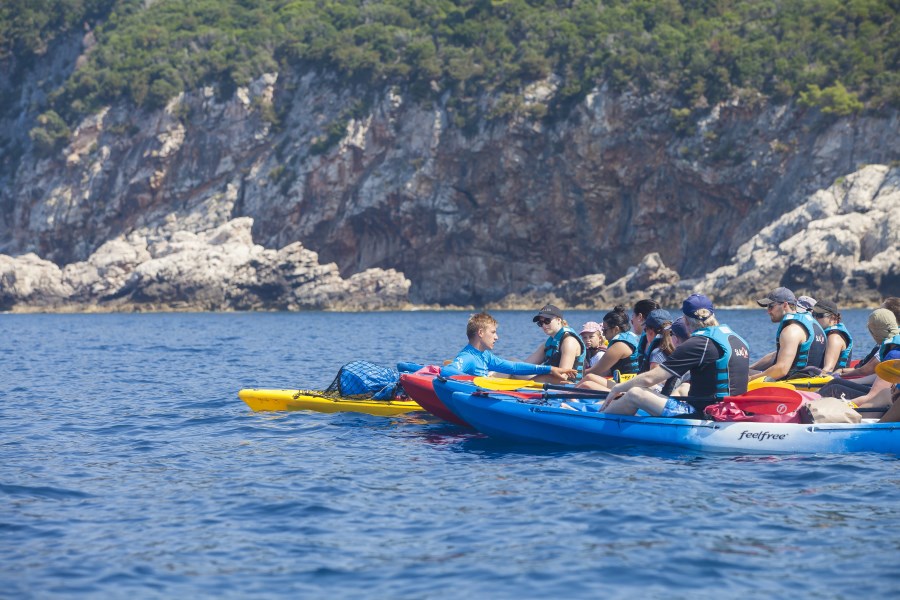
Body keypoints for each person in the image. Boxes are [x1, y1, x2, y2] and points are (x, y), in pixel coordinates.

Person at [601, 294, 750, 417]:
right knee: (684, 388)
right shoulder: (737, 338)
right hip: (734, 412)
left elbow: (650, 378)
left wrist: (617, 388)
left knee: (635, 393)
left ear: (685, 320)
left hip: (704, 414)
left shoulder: (699, 343)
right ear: (713, 314)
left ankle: (601, 418)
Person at [441, 312, 577, 382]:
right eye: (493, 332)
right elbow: (447, 371)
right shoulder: (468, 357)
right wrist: (476, 380)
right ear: (481, 333)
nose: (496, 337)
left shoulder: (484, 355)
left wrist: (551, 369)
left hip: (484, 391)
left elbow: (513, 367)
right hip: (476, 395)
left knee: (511, 364)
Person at [818, 308, 900, 400]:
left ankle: (807, 406)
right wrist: (844, 379)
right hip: (885, 395)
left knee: (834, 389)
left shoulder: (893, 355)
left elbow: (873, 397)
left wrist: (846, 406)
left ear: (876, 333)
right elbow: (878, 377)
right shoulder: (893, 346)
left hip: (885, 401)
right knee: (835, 383)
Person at [749, 287, 826, 380]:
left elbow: (781, 370)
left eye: (771, 306)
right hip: (810, 378)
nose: (768, 311)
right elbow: (777, 355)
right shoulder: (813, 323)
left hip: (792, 383)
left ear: (785, 305)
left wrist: (750, 379)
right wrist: (750, 368)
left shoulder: (791, 330)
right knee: (746, 370)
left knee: (735, 374)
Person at [577, 305, 641, 390]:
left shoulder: (620, 345)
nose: (603, 333)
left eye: (604, 330)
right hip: (629, 383)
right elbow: (605, 371)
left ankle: (568, 396)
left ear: (616, 329)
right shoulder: (630, 336)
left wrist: (573, 374)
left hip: (626, 387)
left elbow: (595, 371)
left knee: (588, 380)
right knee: (590, 378)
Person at [521, 304, 587, 383]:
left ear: (559, 320)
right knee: (513, 364)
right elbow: (525, 365)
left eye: (547, 321)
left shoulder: (569, 342)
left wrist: (528, 381)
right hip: (550, 380)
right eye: (540, 323)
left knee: (539, 377)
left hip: (569, 386)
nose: (544, 325)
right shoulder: (549, 343)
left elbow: (563, 376)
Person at [810, 299, 853, 372]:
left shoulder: (834, 337)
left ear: (833, 318)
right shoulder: (825, 333)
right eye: (813, 314)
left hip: (834, 380)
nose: (814, 318)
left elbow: (828, 369)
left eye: (819, 315)